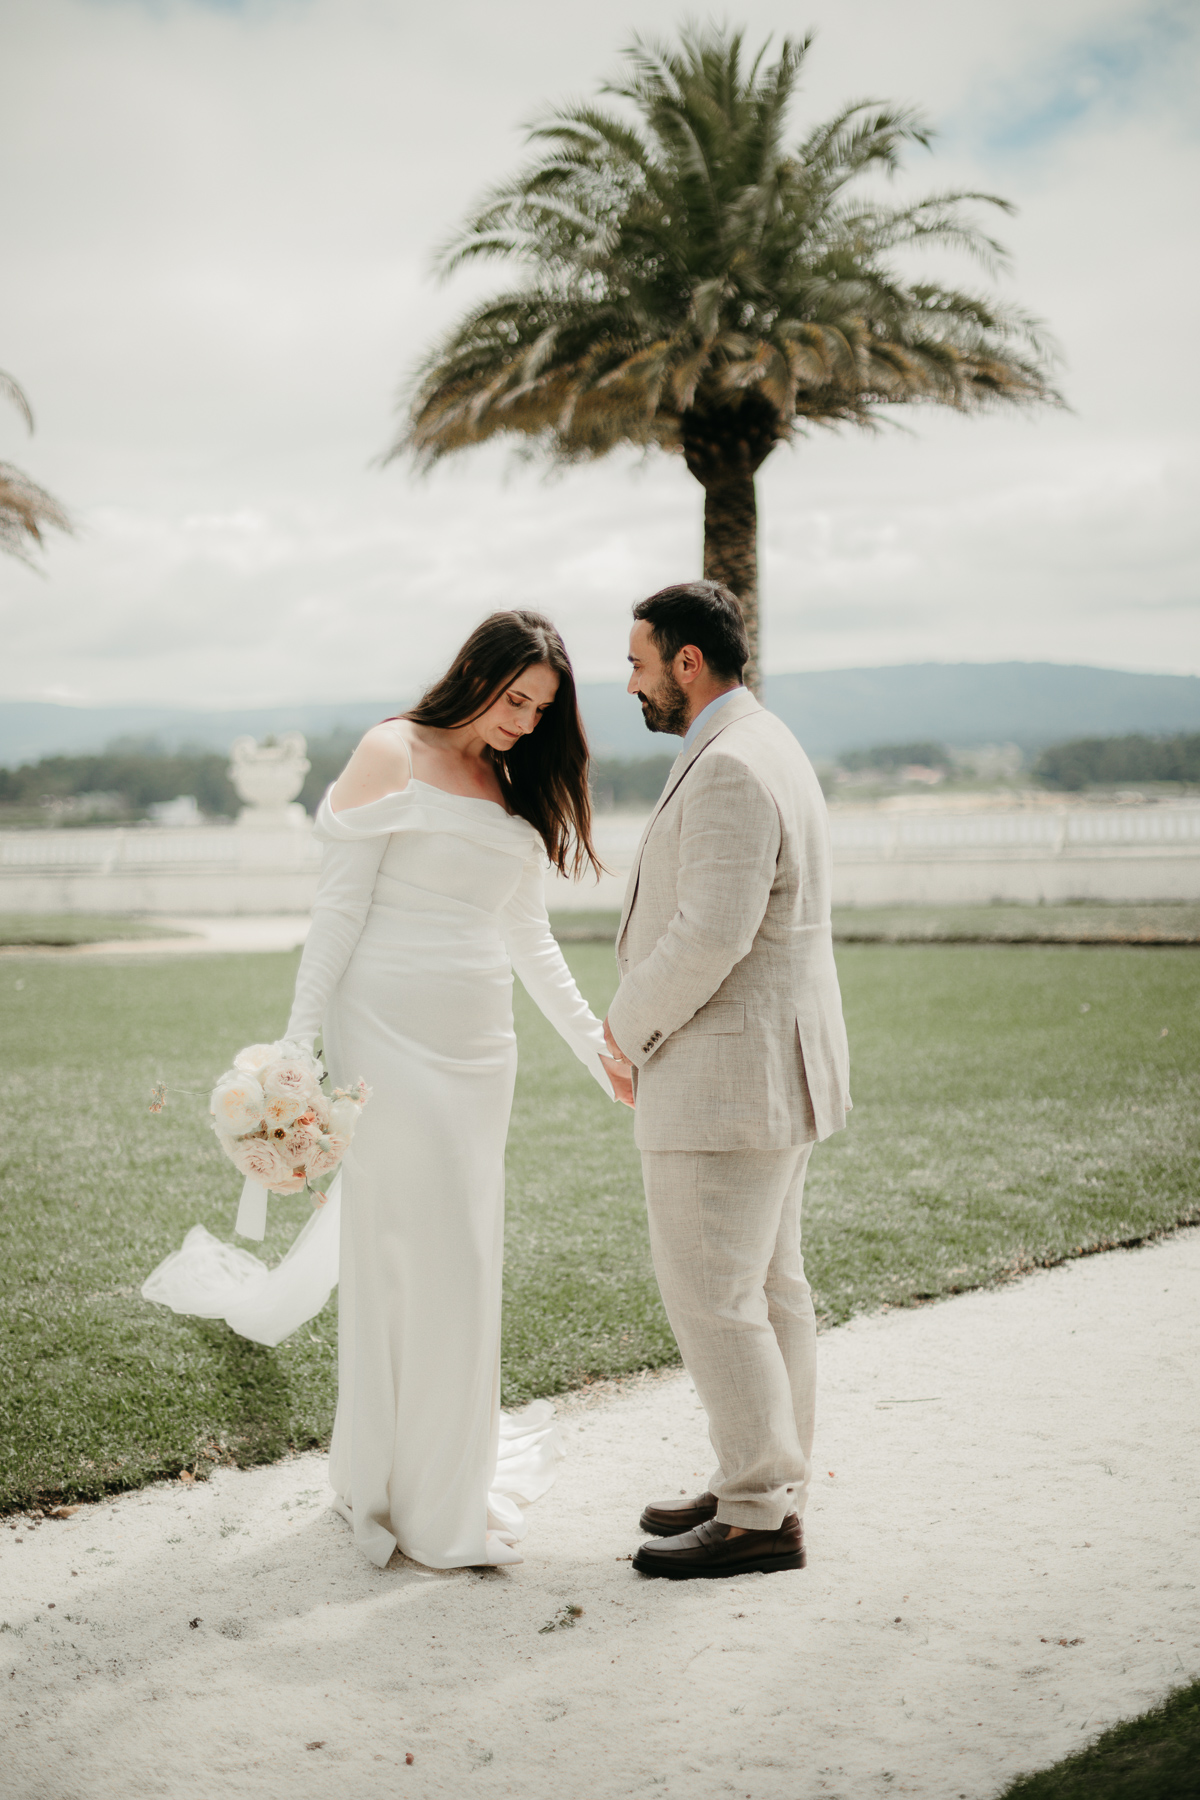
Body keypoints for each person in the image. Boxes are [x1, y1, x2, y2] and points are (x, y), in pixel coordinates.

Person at [283, 611, 631, 1569]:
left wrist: (596, 1045)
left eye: (540, 709)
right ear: (473, 673)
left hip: (481, 1047)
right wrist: (294, 1042)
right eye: (514, 699)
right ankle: (397, 1490)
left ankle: (441, 1482)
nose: (523, 722)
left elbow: (531, 938)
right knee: (405, 1254)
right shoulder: (390, 751)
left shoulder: (512, 782)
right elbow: (337, 909)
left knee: (466, 1255)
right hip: (385, 1038)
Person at [602, 580, 851, 1580]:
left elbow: (710, 931)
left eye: (637, 662)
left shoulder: (732, 768)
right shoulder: (769, 742)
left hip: (726, 1082)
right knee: (770, 1288)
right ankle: (762, 1474)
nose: (631, 683)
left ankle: (756, 1512)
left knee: (716, 1296)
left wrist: (623, 1028)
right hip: (771, 1074)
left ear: (688, 661)